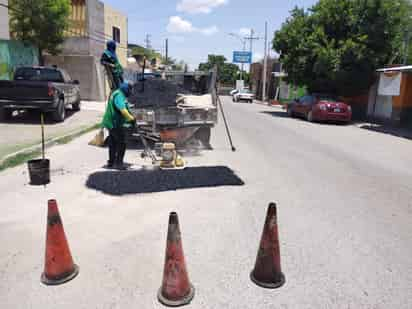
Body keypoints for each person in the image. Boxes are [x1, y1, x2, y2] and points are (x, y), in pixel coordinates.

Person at [101, 82, 135, 170]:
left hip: (111, 122)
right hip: (114, 123)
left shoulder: (117, 93)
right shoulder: (119, 95)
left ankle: (111, 162)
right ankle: (119, 163)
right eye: (129, 90)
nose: (130, 92)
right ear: (126, 89)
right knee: (121, 143)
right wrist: (131, 119)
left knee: (113, 143)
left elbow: (125, 107)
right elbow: (123, 110)